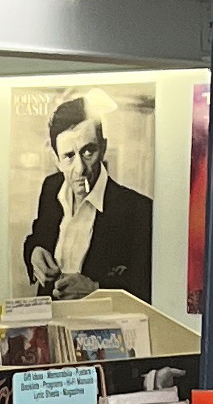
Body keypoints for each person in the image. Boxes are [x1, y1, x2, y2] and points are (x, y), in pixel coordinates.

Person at [21, 93, 153, 299]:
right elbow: (38, 237)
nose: (80, 168)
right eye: (69, 156)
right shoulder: (50, 188)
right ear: (56, 159)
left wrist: (97, 289)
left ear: (103, 148)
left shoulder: (138, 209)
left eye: (88, 152)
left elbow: (148, 284)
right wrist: (33, 253)